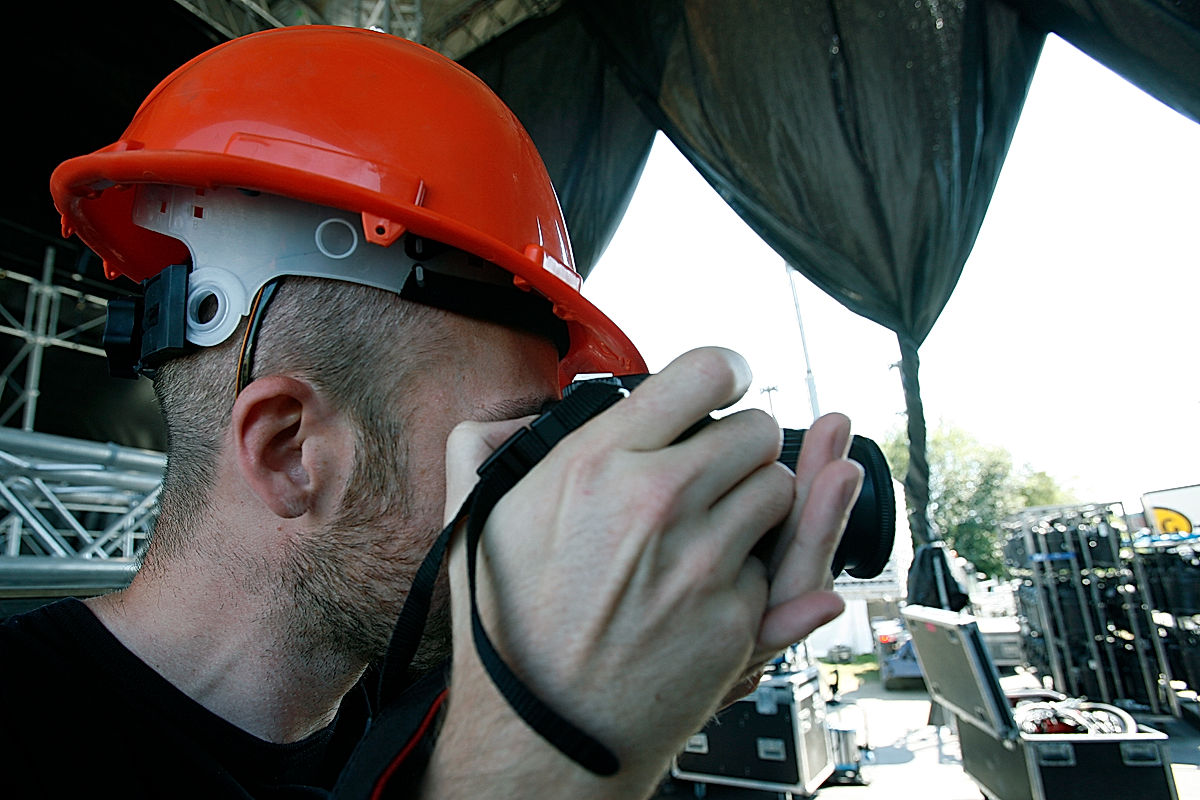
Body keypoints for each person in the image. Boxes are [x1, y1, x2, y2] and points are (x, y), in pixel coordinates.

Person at [1, 25, 862, 799]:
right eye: (508, 446)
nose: (550, 490)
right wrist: (545, 751)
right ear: (293, 450)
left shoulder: (418, 737)